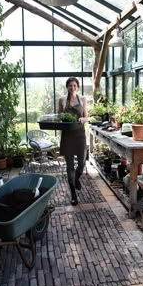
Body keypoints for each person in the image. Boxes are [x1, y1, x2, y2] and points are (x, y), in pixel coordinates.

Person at [58, 77, 88, 205]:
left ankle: (76, 178)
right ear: (67, 87)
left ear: (78, 87)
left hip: (80, 134)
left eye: (74, 85)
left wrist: (83, 119)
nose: (72, 87)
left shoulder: (83, 99)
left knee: (81, 163)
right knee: (70, 166)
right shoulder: (62, 100)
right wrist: (62, 118)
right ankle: (73, 194)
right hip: (67, 136)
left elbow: (87, 116)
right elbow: (59, 116)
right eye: (70, 85)